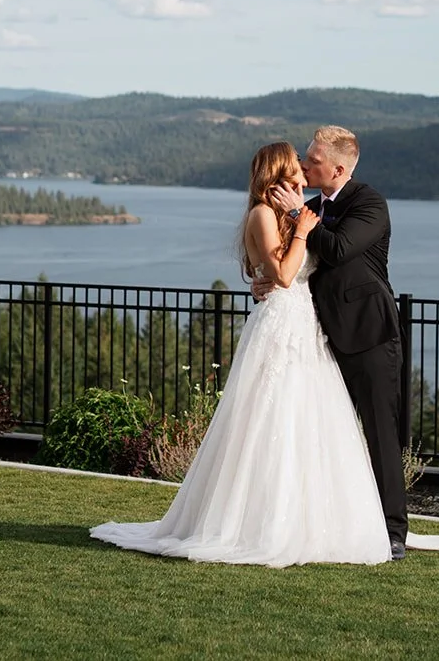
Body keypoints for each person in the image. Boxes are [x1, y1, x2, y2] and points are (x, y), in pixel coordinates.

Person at [89, 141, 392, 566]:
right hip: (281, 324)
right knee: (269, 416)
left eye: (308, 166)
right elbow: (285, 275)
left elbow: (318, 259)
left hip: (306, 326)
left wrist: (298, 230)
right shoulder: (265, 214)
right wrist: (300, 230)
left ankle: (316, 522)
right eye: (297, 167)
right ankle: (256, 524)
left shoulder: (298, 212)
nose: (304, 173)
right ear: (279, 174)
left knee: (309, 419)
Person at [259, 125, 411, 558]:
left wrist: (295, 217)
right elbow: (289, 261)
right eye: (306, 158)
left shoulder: (369, 203)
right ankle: (337, 522)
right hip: (318, 339)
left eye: (314, 161)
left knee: (381, 435)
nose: (306, 166)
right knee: (327, 434)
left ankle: (393, 532)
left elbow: (340, 248)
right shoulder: (306, 209)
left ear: (339, 168)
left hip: (370, 336)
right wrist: (264, 281)